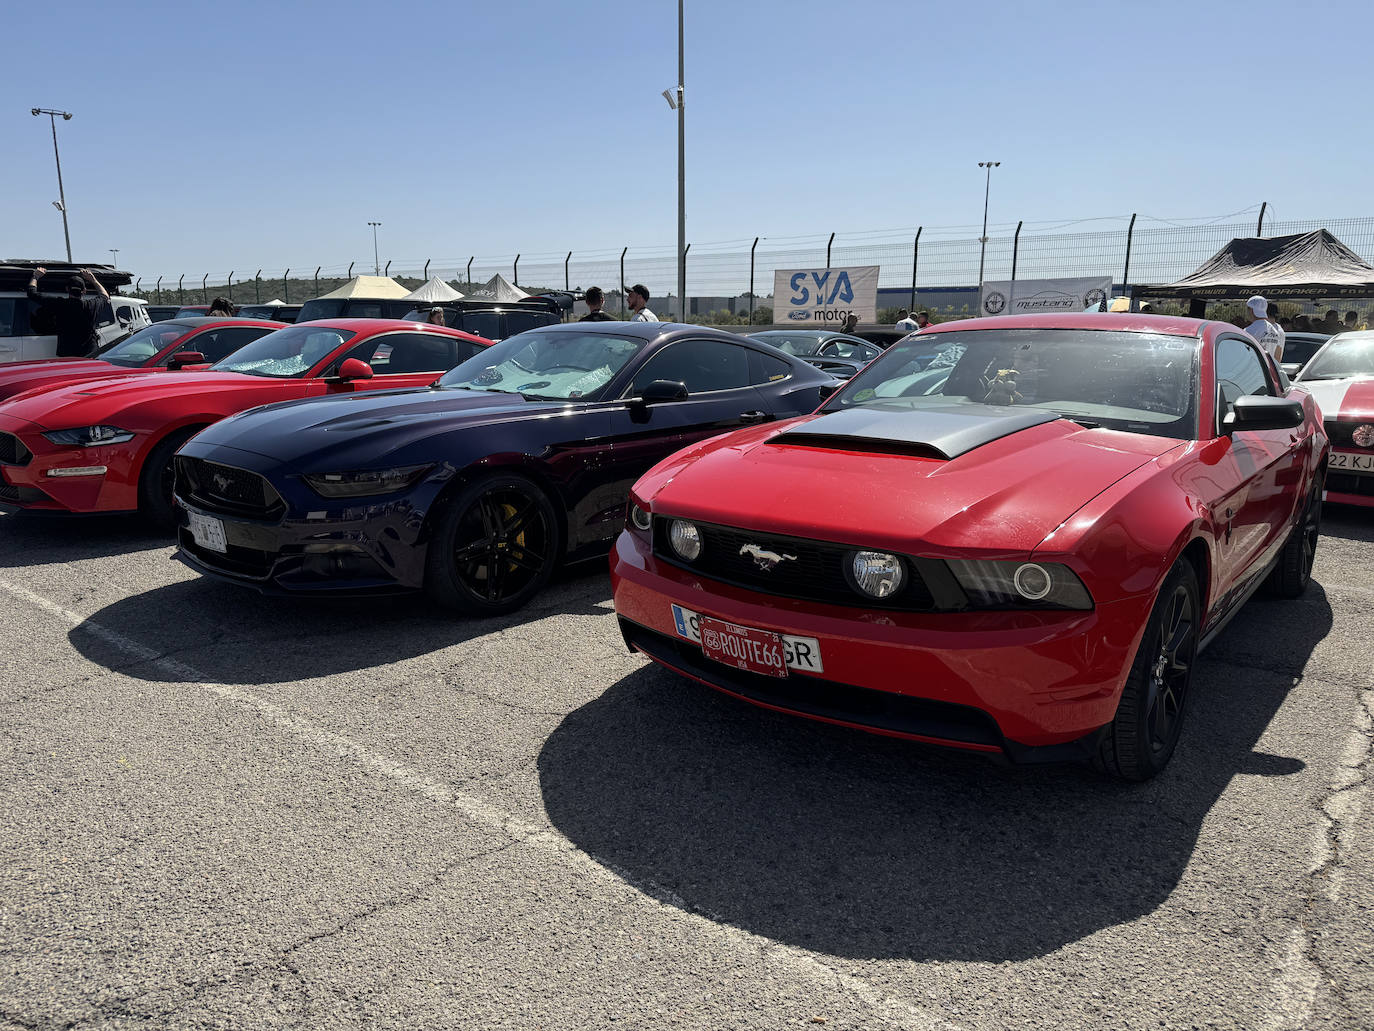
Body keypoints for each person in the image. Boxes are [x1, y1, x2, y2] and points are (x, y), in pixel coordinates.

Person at [26, 266, 111, 357]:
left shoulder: (59, 304)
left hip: (67, 354)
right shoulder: (91, 305)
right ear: (84, 291)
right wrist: (93, 280)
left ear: (67, 289)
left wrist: (35, 276)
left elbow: (32, 293)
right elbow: (104, 296)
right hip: (89, 354)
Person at [1243, 295, 1285, 363]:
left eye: (1248, 308)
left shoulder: (1248, 331)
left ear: (1251, 310)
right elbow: (1277, 358)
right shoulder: (1274, 331)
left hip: (1253, 370)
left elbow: (1244, 355)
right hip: (1268, 371)